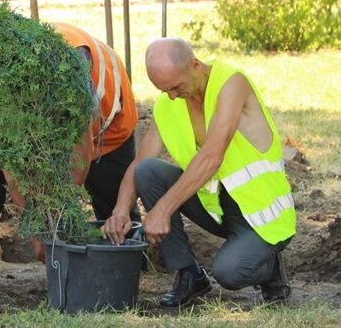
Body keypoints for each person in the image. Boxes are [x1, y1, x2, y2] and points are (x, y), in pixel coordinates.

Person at [102, 38, 294, 308]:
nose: (170, 96)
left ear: (195, 65)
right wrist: (121, 210)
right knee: (148, 172)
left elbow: (212, 157)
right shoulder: (170, 102)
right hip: (218, 208)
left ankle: (271, 271)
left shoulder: (231, 83)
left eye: (175, 86)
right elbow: (138, 165)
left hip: (264, 214)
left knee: (229, 273)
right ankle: (189, 274)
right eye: (163, 90)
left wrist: (162, 209)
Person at [0, 22, 140, 290]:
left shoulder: (69, 73)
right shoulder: (1, 78)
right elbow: (11, 163)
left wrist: (57, 219)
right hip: (48, 117)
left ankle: (132, 260)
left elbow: (79, 155)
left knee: (116, 219)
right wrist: (36, 225)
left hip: (109, 129)